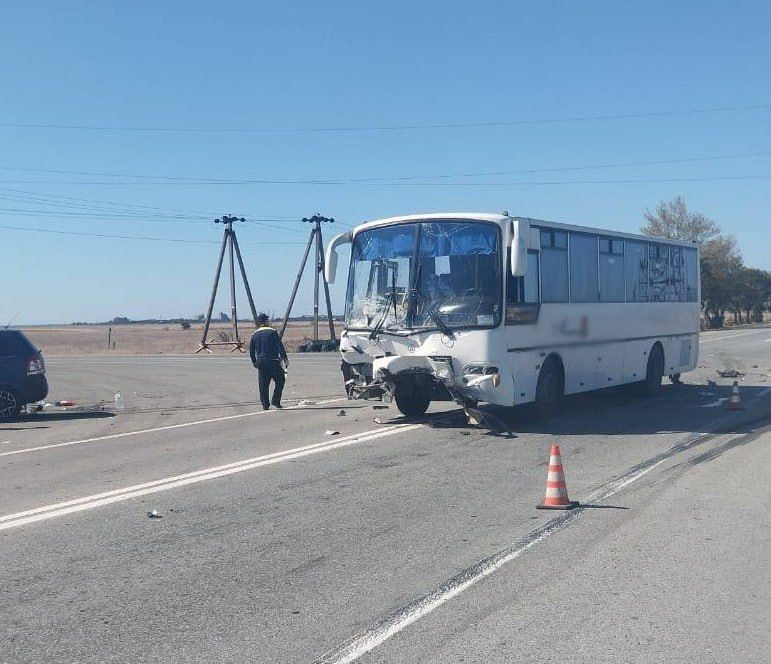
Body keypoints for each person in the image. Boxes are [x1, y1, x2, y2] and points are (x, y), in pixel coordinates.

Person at [249, 313, 288, 410]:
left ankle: (265, 404)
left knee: (263, 384)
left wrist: (254, 362)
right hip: (273, 361)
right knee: (280, 380)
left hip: (261, 362)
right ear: (266, 321)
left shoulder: (254, 334)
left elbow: (251, 350)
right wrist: (284, 357)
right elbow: (279, 346)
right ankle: (275, 400)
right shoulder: (273, 332)